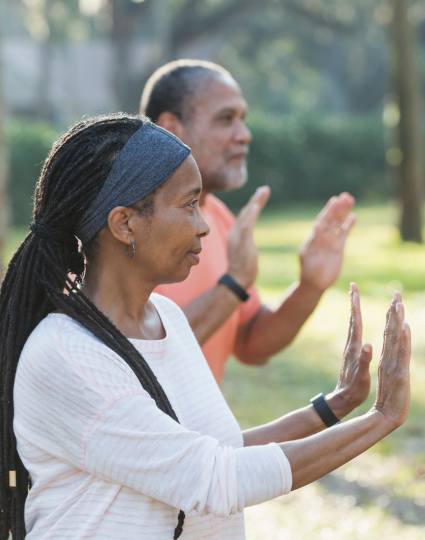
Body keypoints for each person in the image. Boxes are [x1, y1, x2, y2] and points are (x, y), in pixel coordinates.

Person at [0, 114, 410, 540]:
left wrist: (335, 406)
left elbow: (218, 453)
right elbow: (215, 480)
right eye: (189, 204)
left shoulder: (167, 319)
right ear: (124, 224)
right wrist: (381, 419)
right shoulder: (67, 355)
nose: (204, 224)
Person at [140, 59, 357, 384]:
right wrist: (234, 283)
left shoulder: (218, 217)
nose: (244, 135)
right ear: (172, 128)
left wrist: (309, 287)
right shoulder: (125, 224)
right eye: (226, 119)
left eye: (243, 119)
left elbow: (251, 344)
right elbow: (131, 358)